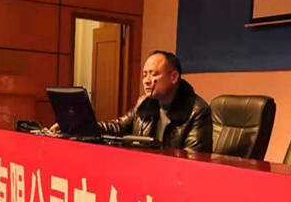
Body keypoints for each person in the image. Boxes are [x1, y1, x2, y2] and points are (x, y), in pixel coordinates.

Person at [51, 51, 213, 153]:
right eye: (144, 75)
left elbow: (193, 159)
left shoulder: (197, 111)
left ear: (174, 77)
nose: (147, 80)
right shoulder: (145, 102)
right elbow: (118, 126)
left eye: (154, 74)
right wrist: (78, 126)